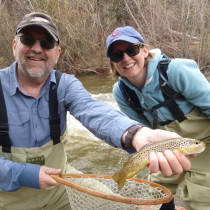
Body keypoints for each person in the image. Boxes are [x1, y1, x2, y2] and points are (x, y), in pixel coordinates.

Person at [0, 12, 192, 210]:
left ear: (57, 53)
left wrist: (136, 134)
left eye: (47, 43)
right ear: (15, 45)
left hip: (62, 185)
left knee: (123, 207)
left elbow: (94, 111)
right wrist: (26, 174)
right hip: (8, 197)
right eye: (28, 40)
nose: (37, 49)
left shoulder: (65, 85)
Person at [106, 26, 210, 210]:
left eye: (131, 50)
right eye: (117, 56)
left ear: (144, 50)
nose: (126, 59)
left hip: (204, 143)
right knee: (154, 192)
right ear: (113, 63)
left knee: (199, 196)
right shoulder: (121, 92)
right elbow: (143, 132)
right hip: (164, 146)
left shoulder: (176, 70)